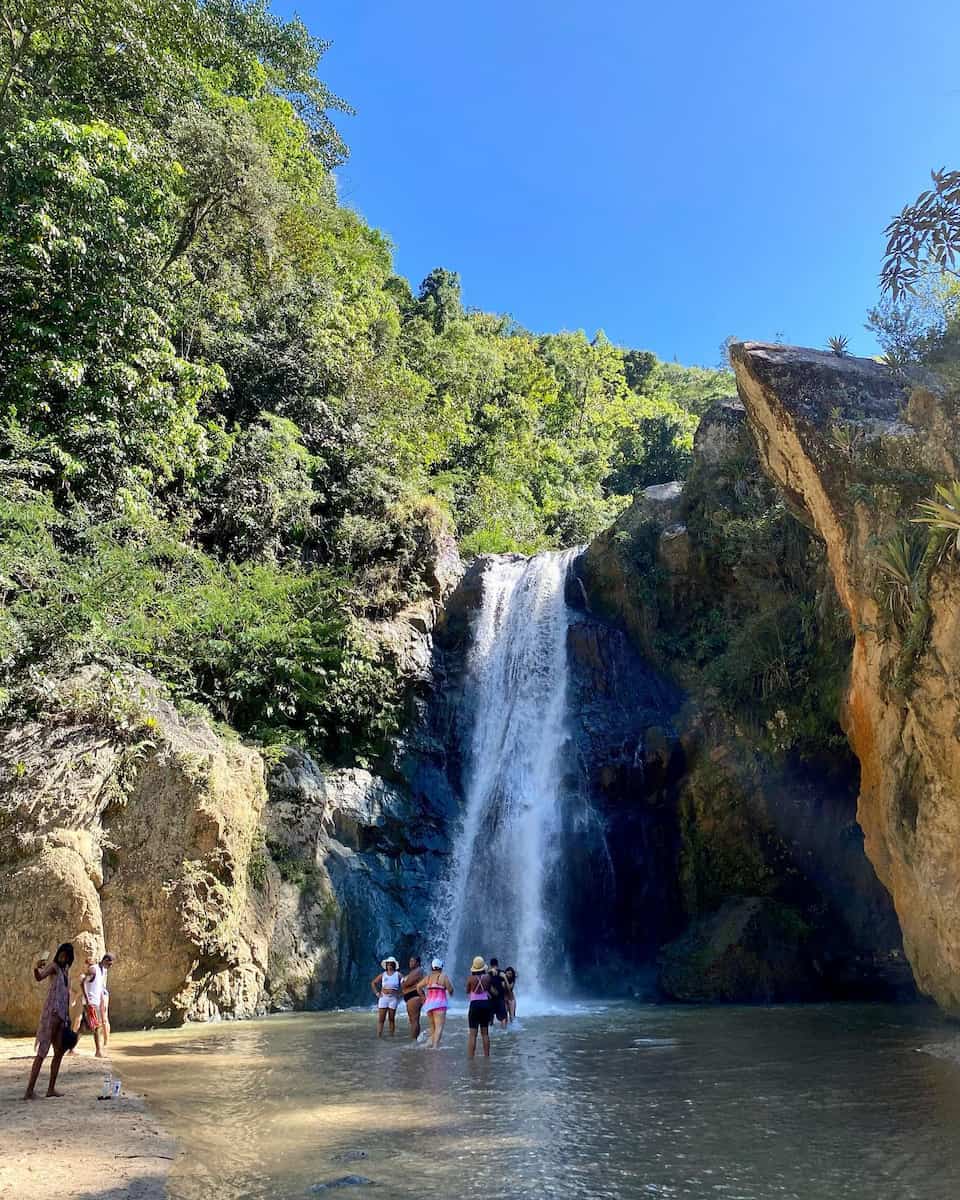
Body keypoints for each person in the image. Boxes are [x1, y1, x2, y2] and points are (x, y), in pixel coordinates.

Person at [23, 943, 74, 1099]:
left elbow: (65, 996)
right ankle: (29, 1091)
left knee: (58, 1052)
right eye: (61, 954)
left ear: (69, 957)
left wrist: (67, 1017)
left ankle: (50, 1089)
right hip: (51, 1015)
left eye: (65, 955)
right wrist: (36, 968)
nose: (62, 957)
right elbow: (40, 977)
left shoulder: (65, 971)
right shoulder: (53, 967)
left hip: (61, 1017)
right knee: (42, 1053)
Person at [80, 952, 113, 1057]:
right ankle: (98, 1051)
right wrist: (87, 999)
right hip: (91, 1002)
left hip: (96, 1002)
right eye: (109, 964)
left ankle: (71, 1048)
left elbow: (99, 988)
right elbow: (83, 982)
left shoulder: (103, 970)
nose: (110, 966)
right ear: (105, 960)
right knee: (97, 1026)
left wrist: (102, 1002)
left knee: (83, 1027)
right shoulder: (94, 969)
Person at [417, 957, 454, 1048]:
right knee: (439, 1027)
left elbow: (418, 987)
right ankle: (435, 1047)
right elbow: (450, 989)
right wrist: (450, 993)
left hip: (429, 1004)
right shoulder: (443, 977)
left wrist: (423, 997)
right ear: (441, 967)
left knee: (433, 1027)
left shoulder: (428, 977)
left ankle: (430, 1044)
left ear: (432, 967)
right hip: (440, 1004)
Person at [465, 956, 493, 1058]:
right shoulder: (488, 978)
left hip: (474, 1005)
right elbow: (489, 989)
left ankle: (471, 1058)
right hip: (485, 1004)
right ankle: (487, 1057)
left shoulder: (470, 978)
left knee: (473, 1034)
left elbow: (467, 991)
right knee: (485, 1033)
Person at [371, 956, 402, 1037]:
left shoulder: (398, 974)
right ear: (386, 965)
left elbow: (405, 984)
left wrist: (401, 994)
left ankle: (391, 1036)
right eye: (388, 964)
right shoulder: (383, 974)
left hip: (393, 998)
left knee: (391, 1019)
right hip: (383, 998)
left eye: (391, 964)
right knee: (381, 1019)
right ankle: (379, 1036)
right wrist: (377, 993)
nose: (389, 966)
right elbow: (373, 983)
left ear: (394, 965)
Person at [401, 955, 425, 1041]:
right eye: (410, 961)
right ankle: (415, 1039)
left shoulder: (418, 970)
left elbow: (407, 983)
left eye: (412, 961)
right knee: (413, 1020)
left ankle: (414, 1040)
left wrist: (403, 983)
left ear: (417, 962)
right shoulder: (414, 971)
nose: (410, 963)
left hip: (414, 995)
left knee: (414, 1020)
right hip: (411, 996)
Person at [487, 957, 509, 1029]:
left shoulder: (488, 973)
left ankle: (490, 1033)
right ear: (497, 964)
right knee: (503, 1018)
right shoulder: (502, 973)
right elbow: (504, 986)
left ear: (490, 965)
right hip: (500, 998)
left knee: (490, 1018)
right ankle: (504, 1032)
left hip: (490, 998)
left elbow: (484, 984)